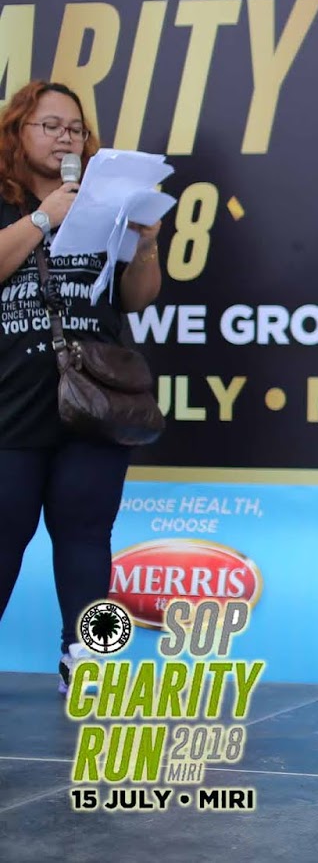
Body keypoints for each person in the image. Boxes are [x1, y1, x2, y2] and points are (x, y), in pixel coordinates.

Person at [0, 80, 162, 693]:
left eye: (75, 129)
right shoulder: (8, 201)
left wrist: (145, 245)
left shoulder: (106, 201)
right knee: (5, 532)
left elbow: (137, 298)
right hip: (12, 395)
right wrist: (45, 217)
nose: (66, 138)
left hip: (96, 395)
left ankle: (90, 658)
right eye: (51, 126)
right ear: (17, 132)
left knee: (89, 534)